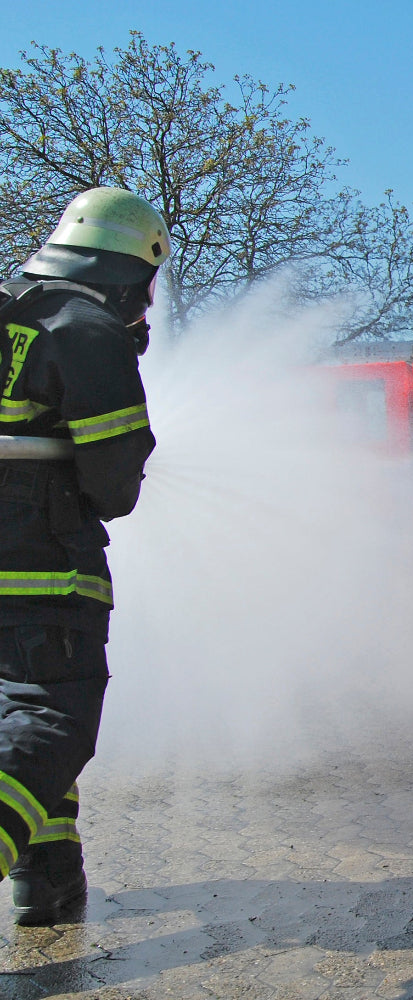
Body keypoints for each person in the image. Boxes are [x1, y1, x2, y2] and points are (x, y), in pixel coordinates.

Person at [0, 187, 169, 925]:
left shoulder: (13, 310)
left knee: (16, 715)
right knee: (52, 715)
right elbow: (113, 483)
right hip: (36, 567)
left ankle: (50, 879)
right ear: (133, 271)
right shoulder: (84, 328)